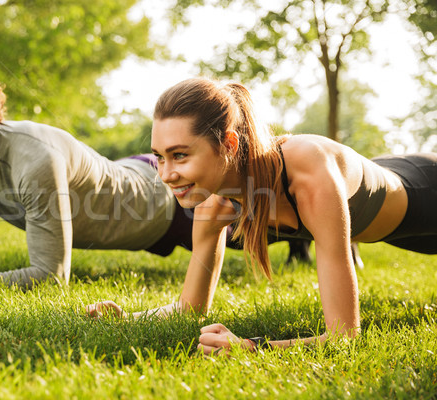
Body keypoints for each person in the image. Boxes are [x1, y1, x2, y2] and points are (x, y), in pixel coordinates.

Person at [0, 50, 309, 288]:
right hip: (132, 178)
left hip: (162, 202)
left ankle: (331, 232)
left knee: (277, 220)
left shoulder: (32, 158)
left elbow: (51, 277)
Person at [87, 77, 436, 353]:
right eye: (160, 157)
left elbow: (344, 335)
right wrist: (127, 317)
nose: (165, 174)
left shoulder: (309, 173)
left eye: (180, 155)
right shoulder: (213, 204)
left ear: (229, 144)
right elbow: (189, 309)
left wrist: (252, 347)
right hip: (391, 211)